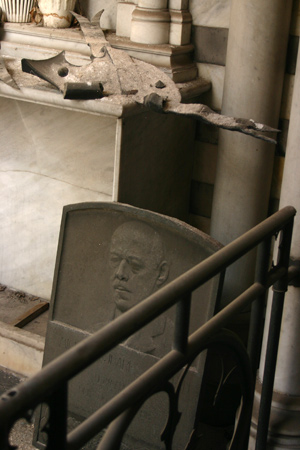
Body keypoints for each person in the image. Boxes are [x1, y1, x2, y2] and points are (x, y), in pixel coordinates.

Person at [108, 220, 172, 356]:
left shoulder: (174, 341)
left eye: (135, 265)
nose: (120, 273)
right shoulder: (91, 329)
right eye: (115, 260)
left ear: (161, 273)